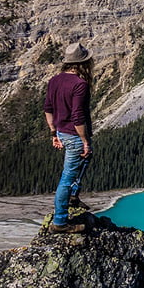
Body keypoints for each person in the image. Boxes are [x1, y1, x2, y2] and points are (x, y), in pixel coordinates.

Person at [43, 41, 95, 234]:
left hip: (61, 132)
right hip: (74, 135)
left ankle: (73, 195)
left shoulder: (54, 80)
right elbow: (77, 117)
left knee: (87, 157)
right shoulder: (80, 84)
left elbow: (48, 109)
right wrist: (85, 141)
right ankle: (60, 222)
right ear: (83, 64)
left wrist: (53, 133)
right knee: (67, 177)